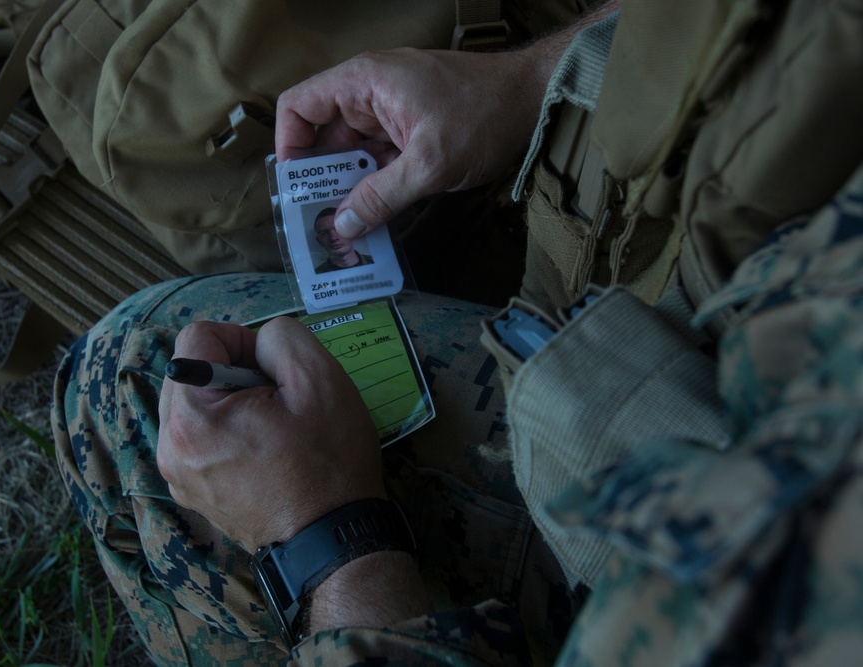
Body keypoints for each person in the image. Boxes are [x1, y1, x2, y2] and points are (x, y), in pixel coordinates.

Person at [51, 0, 863, 664]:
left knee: (133, 389)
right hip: (666, 365)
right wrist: (537, 75)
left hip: (675, 540)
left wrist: (331, 541)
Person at [312, 207, 373, 274]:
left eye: (339, 229)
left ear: (353, 232)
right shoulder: (317, 274)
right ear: (319, 241)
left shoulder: (375, 262)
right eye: (324, 233)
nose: (333, 238)